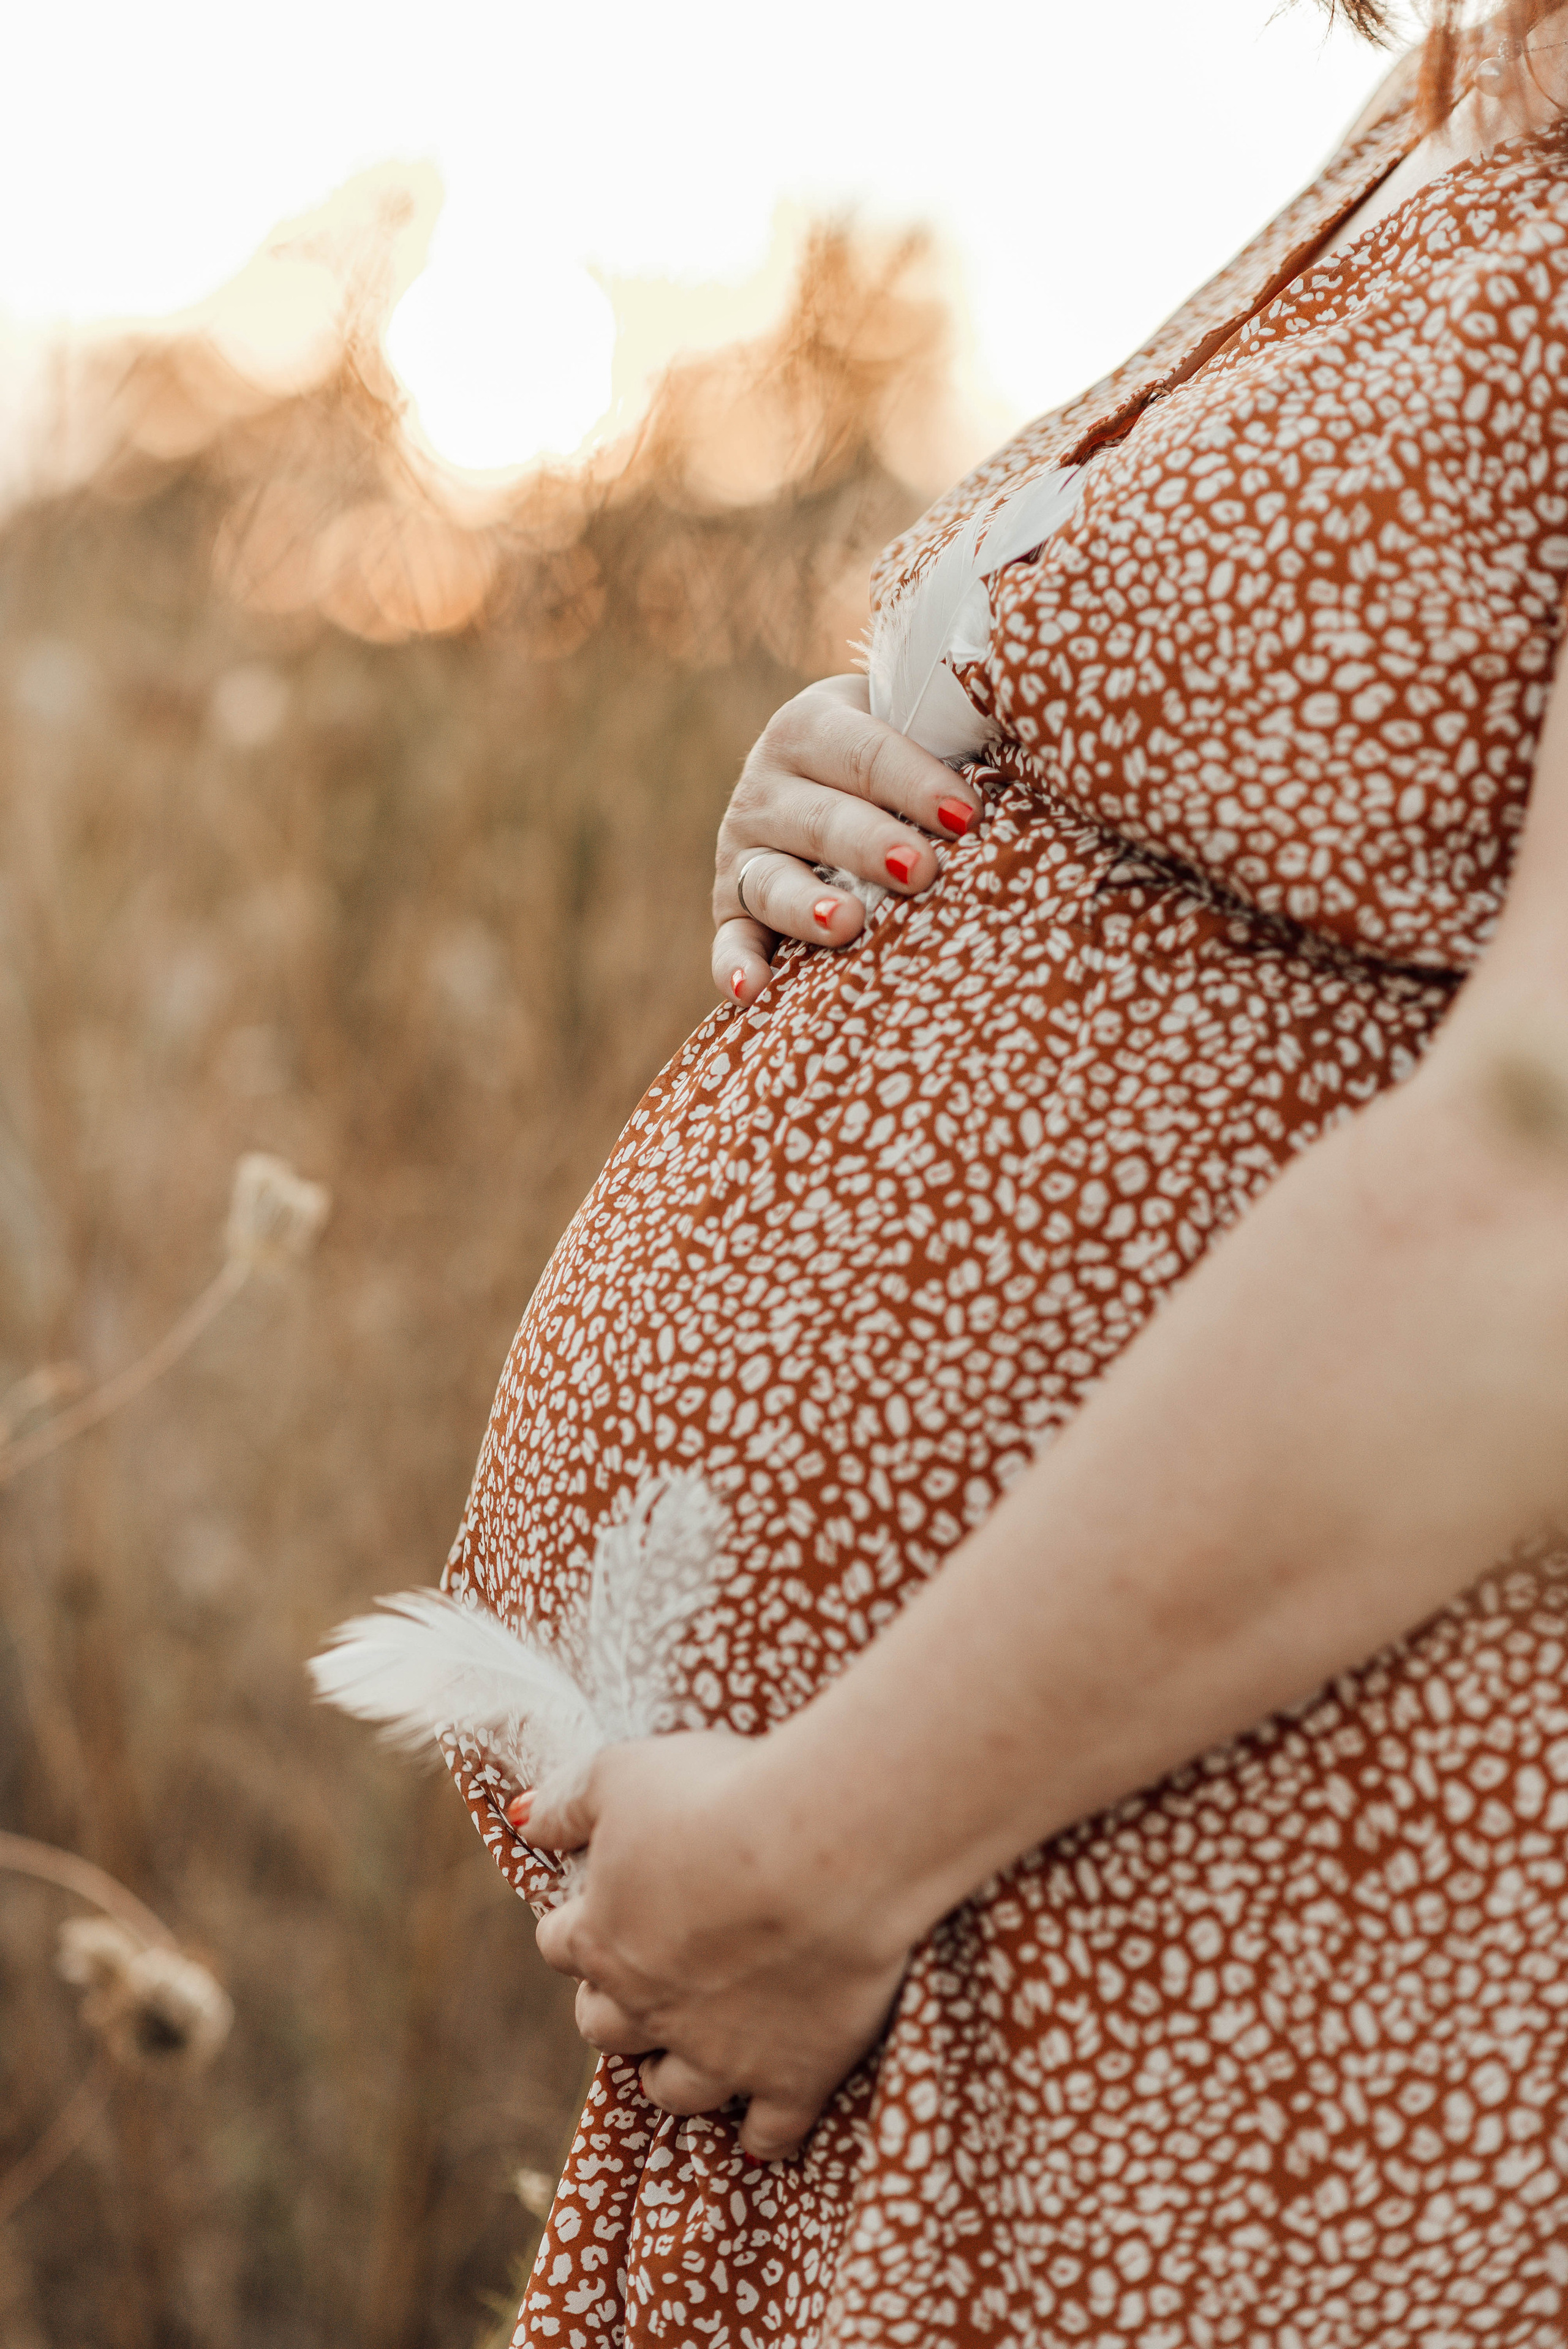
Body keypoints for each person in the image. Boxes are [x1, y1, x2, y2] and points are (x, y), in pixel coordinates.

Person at [441, 8, 1568, 2340]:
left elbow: (1542, 1170)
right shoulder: (1463, 102)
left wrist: (834, 1841)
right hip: (987, 1921)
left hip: (1247, 1950)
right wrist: (882, 786)